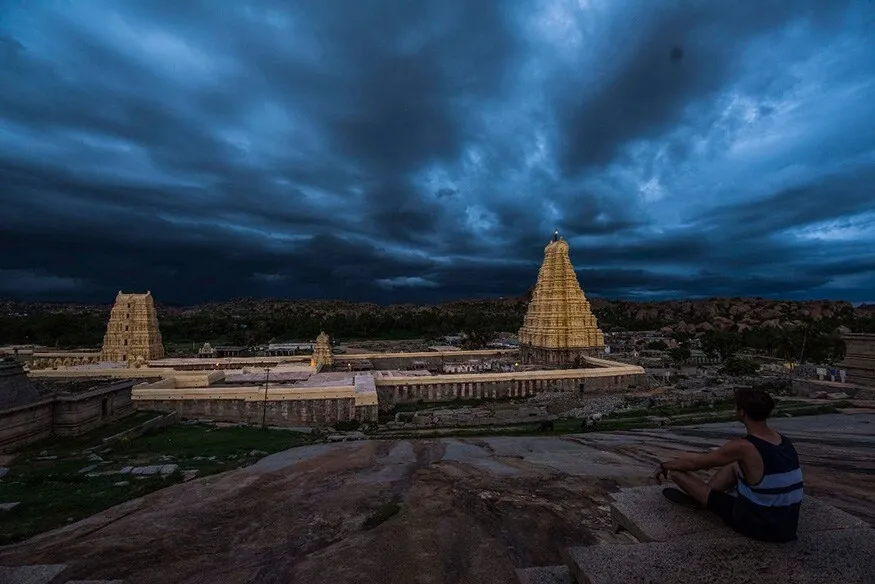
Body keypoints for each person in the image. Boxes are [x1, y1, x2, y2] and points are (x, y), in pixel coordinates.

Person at [654, 388, 803, 542]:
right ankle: (703, 497)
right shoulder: (782, 439)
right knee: (735, 465)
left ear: (743, 412)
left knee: (677, 473)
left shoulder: (744, 447)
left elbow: (696, 463)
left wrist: (665, 465)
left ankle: (700, 499)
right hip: (787, 525)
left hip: (760, 526)